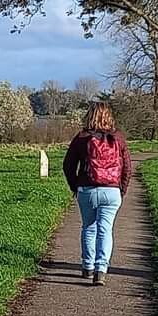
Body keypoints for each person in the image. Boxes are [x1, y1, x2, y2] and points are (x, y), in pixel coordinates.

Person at [62, 102, 132, 286]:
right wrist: (121, 189)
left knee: (89, 227)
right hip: (112, 190)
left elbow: (68, 165)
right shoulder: (118, 138)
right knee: (105, 229)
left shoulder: (82, 137)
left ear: (89, 116)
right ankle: (101, 270)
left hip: (87, 189)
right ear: (109, 117)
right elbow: (127, 168)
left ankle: (88, 266)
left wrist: (75, 186)